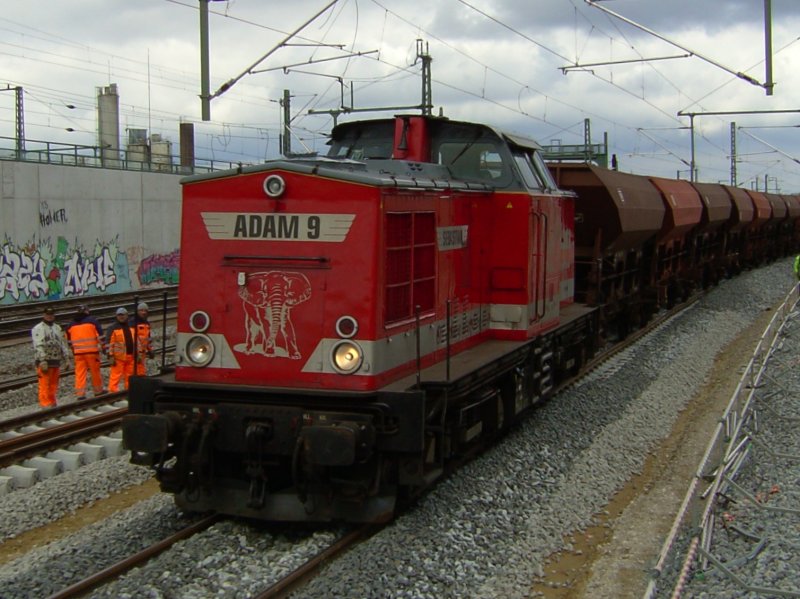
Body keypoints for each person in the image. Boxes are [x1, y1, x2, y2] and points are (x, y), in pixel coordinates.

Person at [31, 306, 71, 408]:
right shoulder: (38, 328)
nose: (49, 316)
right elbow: (38, 344)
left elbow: (62, 343)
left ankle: (52, 403)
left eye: (51, 315)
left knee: (53, 384)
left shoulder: (57, 328)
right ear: (44, 315)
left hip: (55, 360)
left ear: (54, 315)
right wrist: (42, 360)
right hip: (45, 361)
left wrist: (66, 358)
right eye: (48, 315)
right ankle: (45, 404)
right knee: (44, 384)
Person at [65, 304, 106, 399]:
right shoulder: (93, 321)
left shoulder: (70, 324)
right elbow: (101, 336)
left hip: (78, 354)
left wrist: (73, 350)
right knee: (95, 372)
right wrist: (104, 348)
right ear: (87, 311)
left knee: (80, 373)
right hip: (92, 352)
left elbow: (68, 340)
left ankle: (80, 394)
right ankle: (98, 391)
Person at [106, 307, 136, 392]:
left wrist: (138, 353)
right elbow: (108, 343)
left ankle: (128, 392)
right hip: (118, 358)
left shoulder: (131, 326)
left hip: (130, 356)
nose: (121, 317)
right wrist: (110, 355)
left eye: (123, 315)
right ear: (116, 316)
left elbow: (136, 341)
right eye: (119, 315)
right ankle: (113, 393)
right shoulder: (112, 328)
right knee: (115, 377)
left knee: (129, 377)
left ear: (127, 315)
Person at [130, 302, 154, 376]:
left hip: (141, 353)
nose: (143, 312)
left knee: (141, 372)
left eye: (145, 310)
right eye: (141, 310)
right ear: (137, 311)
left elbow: (148, 339)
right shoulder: (132, 323)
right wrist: (137, 353)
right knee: (133, 372)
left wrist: (150, 350)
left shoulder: (147, 323)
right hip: (134, 353)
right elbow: (132, 339)